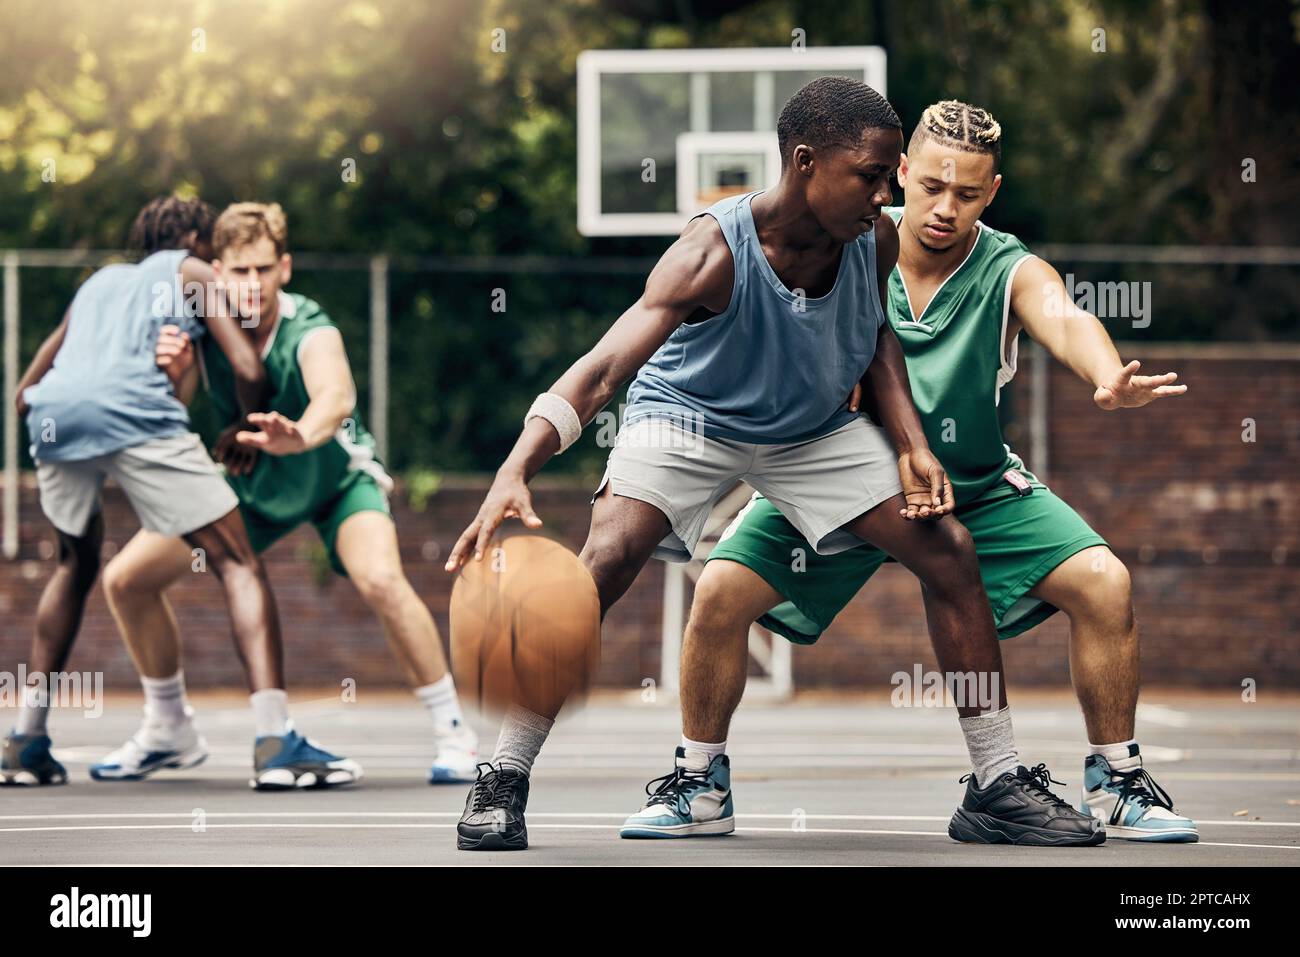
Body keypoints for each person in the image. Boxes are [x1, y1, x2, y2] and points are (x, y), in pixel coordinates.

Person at [446, 79, 1099, 850]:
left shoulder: (871, 239)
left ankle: (994, 784)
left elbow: (876, 336)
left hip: (810, 428)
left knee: (947, 547)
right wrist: (513, 468)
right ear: (804, 161)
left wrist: (913, 442)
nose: (886, 194)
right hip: (691, 415)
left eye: (891, 176)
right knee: (608, 558)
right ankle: (503, 776)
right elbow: (598, 373)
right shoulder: (710, 253)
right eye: (872, 175)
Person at [630, 100, 1196, 843]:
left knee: (1105, 583)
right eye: (931, 186)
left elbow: (1060, 311)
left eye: (966, 194)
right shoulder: (850, 243)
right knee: (720, 594)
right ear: (901, 172)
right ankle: (701, 782)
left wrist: (1105, 372)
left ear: (992, 193)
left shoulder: (1007, 266)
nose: (944, 207)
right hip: (842, 477)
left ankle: (1117, 780)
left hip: (975, 489)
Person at [89, 202, 479, 786]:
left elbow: (336, 397)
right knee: (125, 579)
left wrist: (299, 435)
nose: (251, 284)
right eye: (239, 271)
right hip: (250, 488)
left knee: (380, 578)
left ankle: (455, 734)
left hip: (335, 482)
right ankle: (168, 728)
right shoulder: (203, 331)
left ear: (285, 268)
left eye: (263, 270)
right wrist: (169, 373)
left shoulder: (309, 326)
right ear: (216, 271)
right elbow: (175, 406)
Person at [1, 195, 359, 791]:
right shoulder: (188, 270)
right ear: (197, 244)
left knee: (75, 564)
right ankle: (275, 743)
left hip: (54, 417)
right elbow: (248, 366)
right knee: (238, 562)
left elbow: (24, 391)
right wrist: (244, 429)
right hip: (136, 416)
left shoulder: (102, 282)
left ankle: (25, 743)